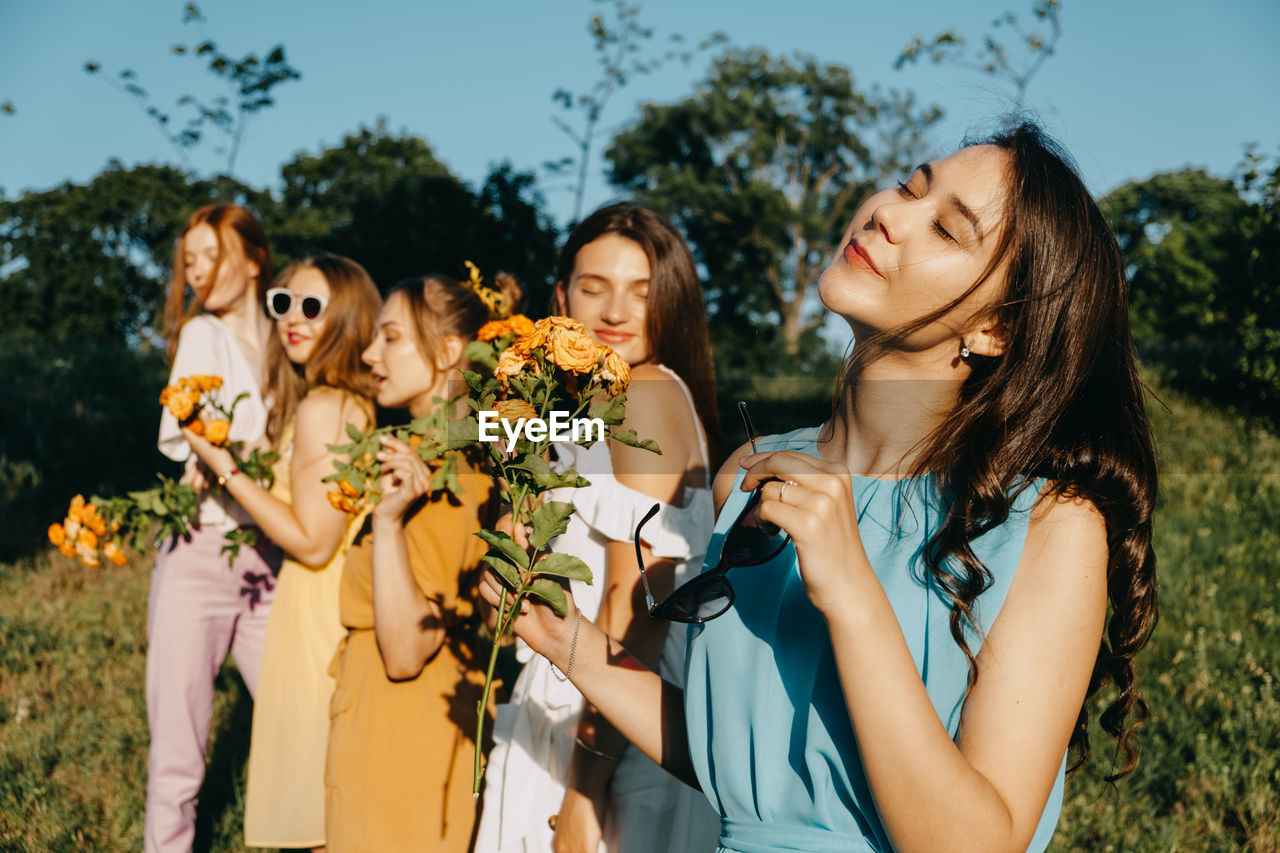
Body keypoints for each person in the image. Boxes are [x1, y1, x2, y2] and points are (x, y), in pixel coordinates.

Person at [482, 122, 1159, 853]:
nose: (889, 214)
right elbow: (736, 766)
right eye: (909, 184)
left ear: (995, 327)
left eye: (947, 230)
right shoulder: (752, 470)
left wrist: (854, 595)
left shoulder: (1051, 523)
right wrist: (570, 643)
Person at [475, 203, 723, 853]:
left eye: (642, 292)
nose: (614, 312)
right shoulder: (607, 402)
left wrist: (583, 795)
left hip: (608, 727)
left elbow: (634, 608)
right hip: (584, 700)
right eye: (593, 287)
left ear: (673, 302)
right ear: (560, 296)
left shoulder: (643, 395)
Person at [181, 253, 381, 851]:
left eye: (312, 307)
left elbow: (312, 541)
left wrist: (224, 468)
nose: (293, 318)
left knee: (318, 816)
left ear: (345, 319)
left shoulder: (324, 408)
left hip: (316, 611)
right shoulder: (340, 402)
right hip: (322, 607)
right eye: (283, 302)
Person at [323, 273, 510, 852]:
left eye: (392, 337)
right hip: (390, 725)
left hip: (401, 733)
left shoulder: (450, 471)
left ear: (450, 351)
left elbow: (406, 650)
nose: (370, 353)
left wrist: (385, 520)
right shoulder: (434, 455)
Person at [146, 203, 281, 853]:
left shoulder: (291, 336)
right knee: (179, 751)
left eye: (211, 255)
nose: (197, 272)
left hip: (274, 556)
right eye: (188, 261)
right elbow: (190, 429)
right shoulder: (202, 335)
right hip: (201, 547)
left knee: (295, 717)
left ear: (255, 258)